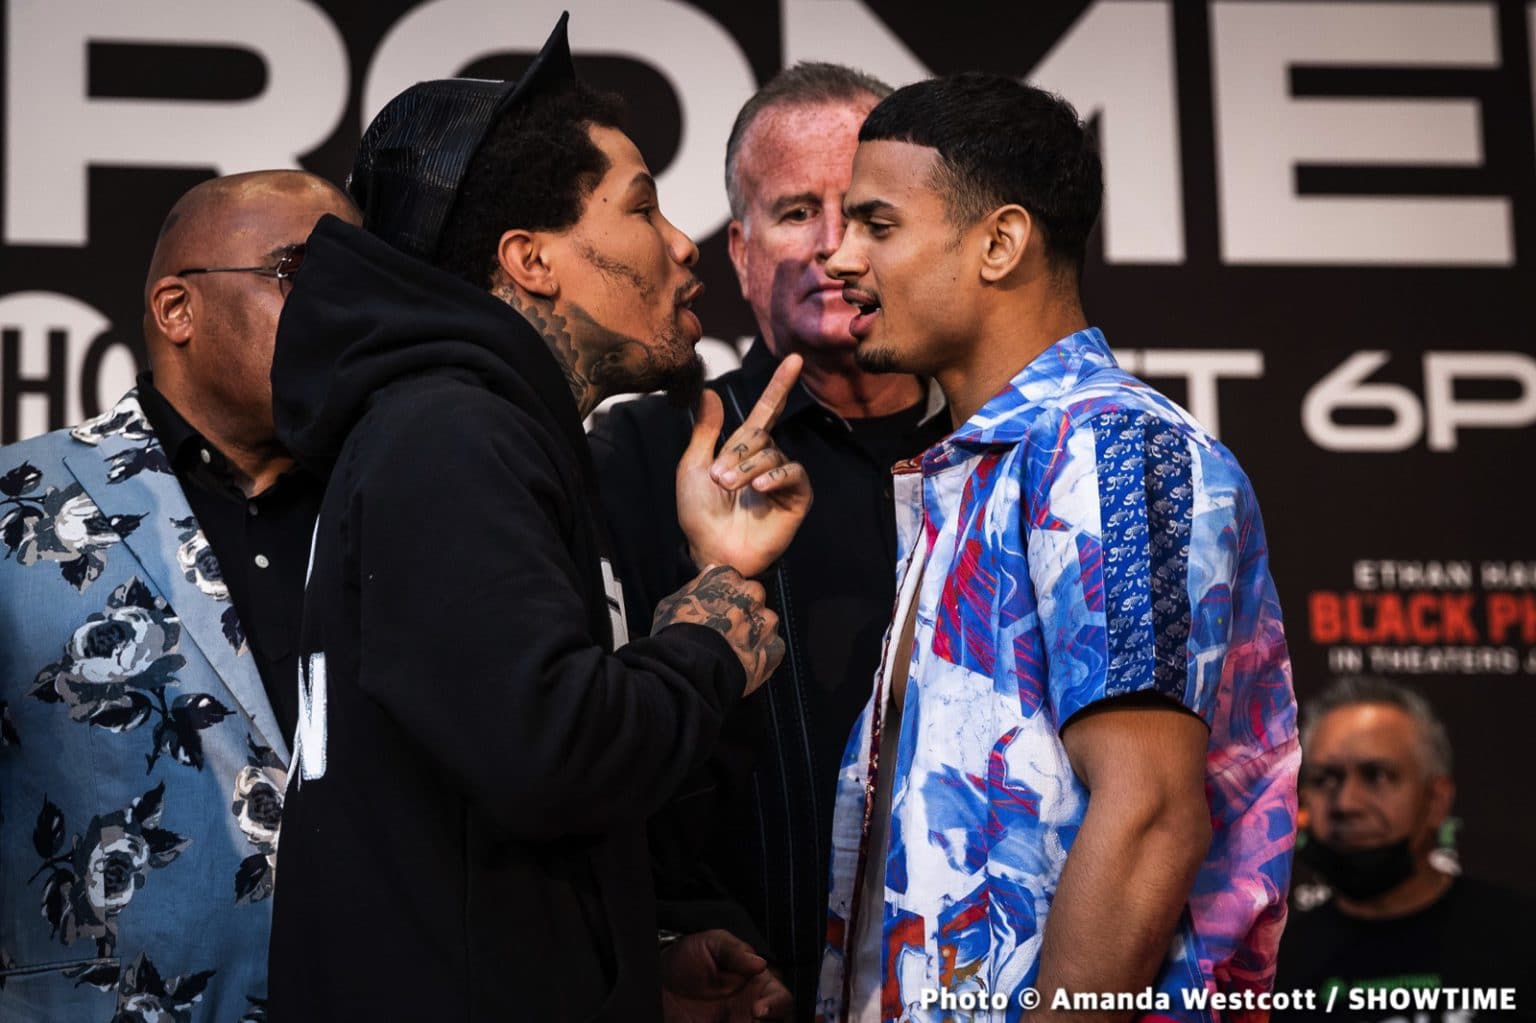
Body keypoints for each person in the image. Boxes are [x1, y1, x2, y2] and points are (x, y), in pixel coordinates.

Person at [265, 16, 806, 1022]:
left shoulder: (484, 431)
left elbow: (482, 804)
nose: (683, 245)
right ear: (529, 260)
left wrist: (632, 963)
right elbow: (551, 750)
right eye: (641, 206)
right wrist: (710, 635)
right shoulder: (452, 434)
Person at [815, 73, 1299, 1021]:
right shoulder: (982, 469)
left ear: (1000, 242)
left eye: (878, 224)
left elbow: (1150, 812)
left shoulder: (1111, 448)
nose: (839, 256)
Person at [591, 63, 947, 1018]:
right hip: (737, 986)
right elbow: (593, 744)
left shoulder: (1010, 454)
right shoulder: (645, 450)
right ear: (741, 252)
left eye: (872, 216)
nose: (837, 250)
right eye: (797, 213)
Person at [0, 171, 358, 1019]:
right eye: (299, 274)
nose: (347, 313)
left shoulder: (398, 509)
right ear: (177, 309)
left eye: (365, 284)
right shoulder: (16, 506)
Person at [1273, 676, 1535, 1022]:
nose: (1346, 803)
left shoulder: (1522, 941)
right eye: (1325, 779)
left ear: (1436, 800)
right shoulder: (1272, 968)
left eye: (1377, 775)